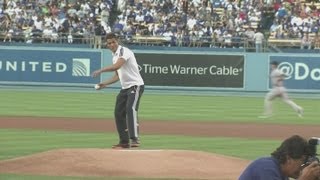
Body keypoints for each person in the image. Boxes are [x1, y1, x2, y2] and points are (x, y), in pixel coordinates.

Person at [92, 32, 144, 149]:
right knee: (118, 113)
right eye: (109, 43)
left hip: (135, 85)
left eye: (113, 42)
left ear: (117, 41)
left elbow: (116, 66)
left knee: (130, 108)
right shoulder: (114, 56)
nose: (111, 45)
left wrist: (100, 70)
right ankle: (124, 142)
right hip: (125, 88)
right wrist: (104, 84)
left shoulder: (123, 51)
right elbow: (117, 75)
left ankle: (134, 138)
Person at [239, 135, 320, 180]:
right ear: (288, 158)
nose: (303, 167)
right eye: (302, 161)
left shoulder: (282, 174)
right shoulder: (266, 168)